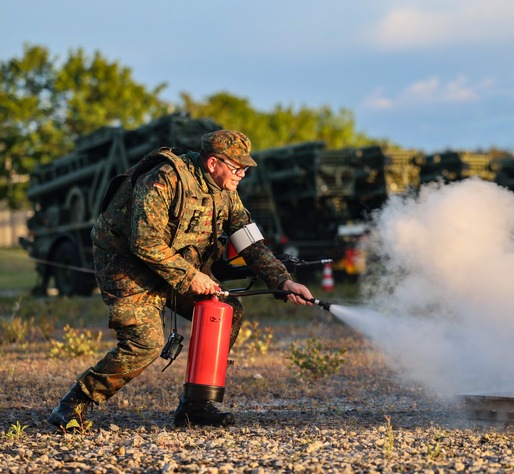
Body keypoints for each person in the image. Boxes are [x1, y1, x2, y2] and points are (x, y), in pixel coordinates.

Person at [48, 130, 314, 429]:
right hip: (127, 265)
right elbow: (145, 243)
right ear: (213, 163)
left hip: (177, 264)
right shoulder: (164, 179)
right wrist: (191, 276)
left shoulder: (226, 190)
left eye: (246, 168)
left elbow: (249, 243)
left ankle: (196, 405)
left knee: (226, 314)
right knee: (145, 343)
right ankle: (74, 403)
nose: (243, 173)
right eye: (237, 167)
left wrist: (283, 282)